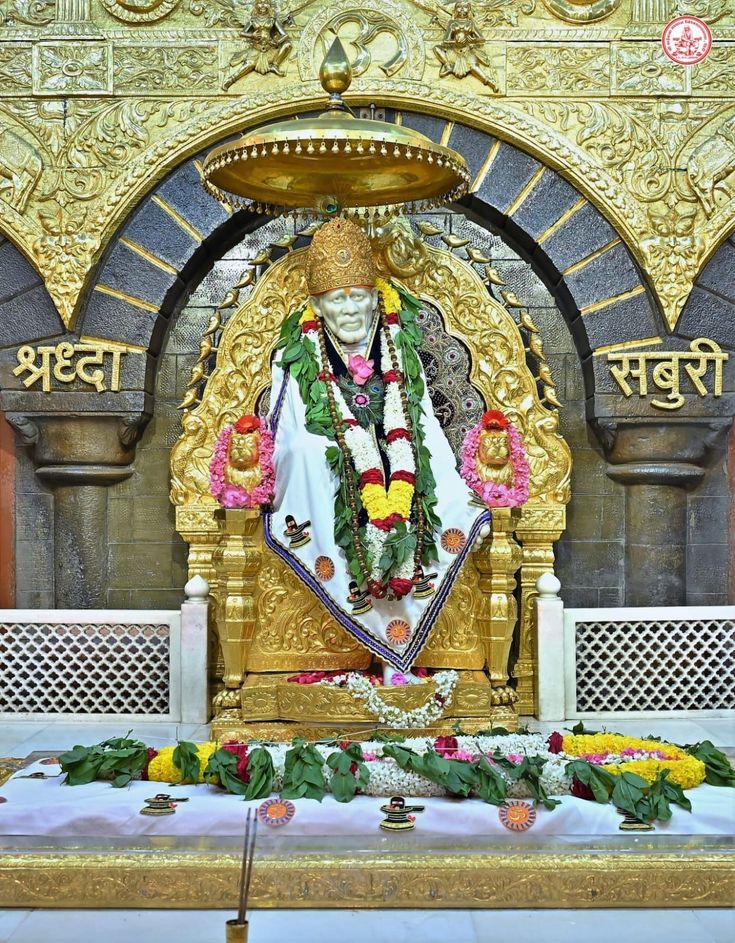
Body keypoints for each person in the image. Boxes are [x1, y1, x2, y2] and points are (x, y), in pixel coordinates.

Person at [264, 218, 489, 683]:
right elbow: (287, 431)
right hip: (334, 464)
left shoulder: (399, 349)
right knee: (309, 454)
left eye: (358, 298)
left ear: (375, 299)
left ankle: (404, 632)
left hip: (401, 461)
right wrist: (338, 448)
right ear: (318, 306)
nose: (349, 310)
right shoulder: (295, 353)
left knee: (444, 494)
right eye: (337, 299)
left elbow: (423, 422)